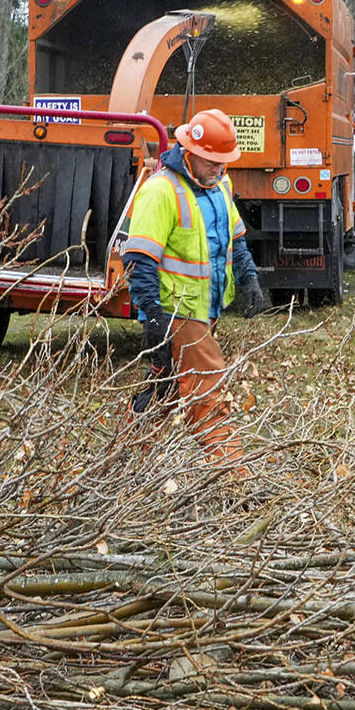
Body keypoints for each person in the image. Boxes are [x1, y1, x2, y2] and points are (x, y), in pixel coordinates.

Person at [120, 109, 271, 469]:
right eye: (212, 161)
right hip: (177, 313)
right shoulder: (160, 191)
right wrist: (153, 316)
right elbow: (139, 260)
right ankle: (233, 477)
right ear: (189, 152)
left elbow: (235, 237)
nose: (219, 168)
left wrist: (248, 276)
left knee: (165, 389)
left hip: (206, 311)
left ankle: (126, 460)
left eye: (224, 162)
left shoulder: (220, 185)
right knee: (207, 392)